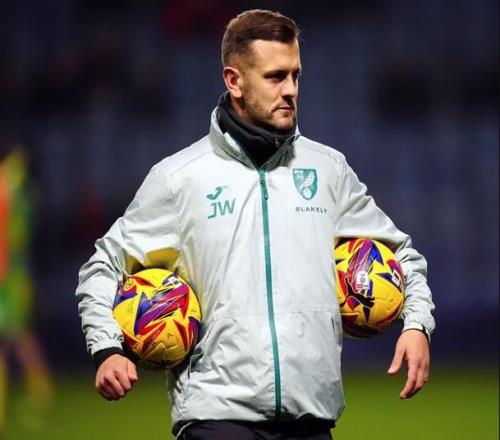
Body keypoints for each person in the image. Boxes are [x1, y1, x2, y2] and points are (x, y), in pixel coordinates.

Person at [76, 9, 435, 440]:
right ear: (234, 81)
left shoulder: (328, 170)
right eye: (275, 77)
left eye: (296, 76)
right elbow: (103, 266)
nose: (291, 90)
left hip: (311, 417)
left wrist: (416, 325)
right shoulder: (179, 179)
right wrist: (107, 348)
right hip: (216, 416)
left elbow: (401, 254)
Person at [0, 147, 53, 434]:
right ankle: (40, 392)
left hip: (8, 278)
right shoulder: (25, 190)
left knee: (16, 339)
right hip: (20, 275)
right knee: (20, 338)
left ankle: (38, 392)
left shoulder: (6, 186)